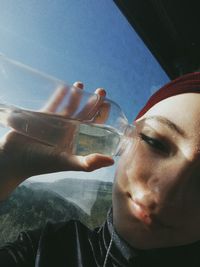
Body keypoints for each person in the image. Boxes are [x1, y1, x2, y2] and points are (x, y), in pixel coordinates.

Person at [0, 73, 200, 266]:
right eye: (154, 142)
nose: (164, 194)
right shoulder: (46, 250)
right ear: (125, 138)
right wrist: (8, 167)